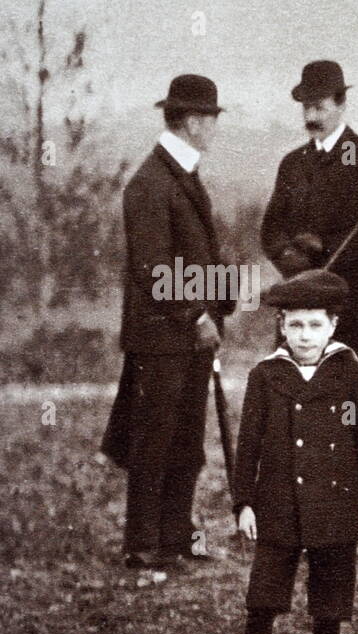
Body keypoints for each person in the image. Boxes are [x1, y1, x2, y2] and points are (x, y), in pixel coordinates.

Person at [215, 270, 358, 634]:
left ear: (332, 326)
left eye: (314, 325)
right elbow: (246, 445)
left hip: (336, 504)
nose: (304, 335)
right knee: (263, 599)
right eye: (294, 325)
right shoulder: (267, 375)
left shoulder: (350, 372)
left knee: (329, 601)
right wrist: (244, 502)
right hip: (278, 503)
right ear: (282, 327)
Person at [101, 74, 233, 571]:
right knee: (154, 437)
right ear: (192, 121)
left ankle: (176, 536)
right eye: (211, 119)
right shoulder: (150, 182)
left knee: (184, 436)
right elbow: (153, 268)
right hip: (162, 335)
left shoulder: (182, 173)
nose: (215, 128)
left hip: (187, 333)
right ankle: (142, 544)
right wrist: (198, 314)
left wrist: (222, 300)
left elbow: (198, 255)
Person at [261, 60, 358, 441]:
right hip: (303, 303)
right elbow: (271, 230)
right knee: (300, 406)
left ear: (341, 105)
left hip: (357, 305)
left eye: (319, 106)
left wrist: (332, 266)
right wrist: (296, 266)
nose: (311, 116)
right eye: (306, 107)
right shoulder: (292, 164)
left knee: (356, 410)